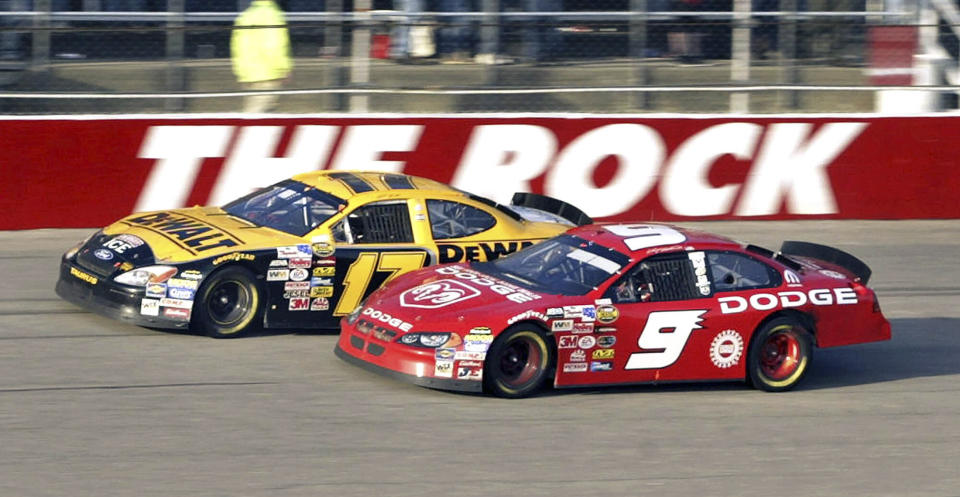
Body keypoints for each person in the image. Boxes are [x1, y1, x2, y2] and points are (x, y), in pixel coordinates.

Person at [231, 0, 293, 113]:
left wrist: (241, 72)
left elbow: (237, 45)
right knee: (255, 117)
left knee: (262, 116)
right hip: (267, 74)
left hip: (248, 75)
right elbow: (274, 45)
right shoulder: (272, 14)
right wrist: (283, 68)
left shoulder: (247, 15)